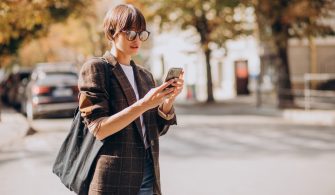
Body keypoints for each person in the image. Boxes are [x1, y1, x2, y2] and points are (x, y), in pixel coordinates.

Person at [78, 4, 184, 195]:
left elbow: (154, 130)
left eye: (141, 34)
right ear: (112, 32)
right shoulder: (96, 69)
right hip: (114, 180)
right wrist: (144, 104)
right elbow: (98, 129)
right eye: (130, 33)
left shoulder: (144, 76)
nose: (137, 39)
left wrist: (168, 102)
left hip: (149, 176)